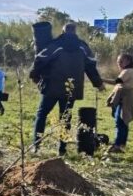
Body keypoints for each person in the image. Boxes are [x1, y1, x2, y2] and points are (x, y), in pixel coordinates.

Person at [29, 23, 104, 156]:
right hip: (71, 90)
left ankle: (36, 145)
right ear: (75, 31)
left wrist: (34, 75)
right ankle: (62, 149)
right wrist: (98, 83)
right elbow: (91, 66)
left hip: (51, 87)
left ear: (63, 31)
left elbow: (40, 60)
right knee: (65, 118)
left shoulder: (55, 44)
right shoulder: (83, 47)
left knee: (42, 115)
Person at [105, 53, 133, 153]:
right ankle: (121, 145)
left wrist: (100, 79)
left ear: (128, 61)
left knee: (120, 122)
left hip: (125, 99)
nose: (118, 63)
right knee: (123, 122)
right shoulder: (129, 71)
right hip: (126, 98)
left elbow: (117, 82)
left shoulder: (128, 71)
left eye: (121, 61)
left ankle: (117, 145)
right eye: (118, 61)